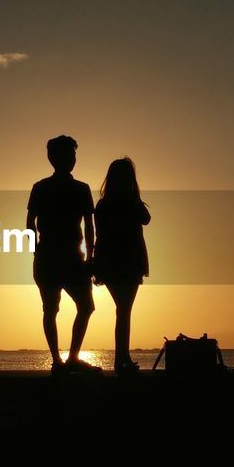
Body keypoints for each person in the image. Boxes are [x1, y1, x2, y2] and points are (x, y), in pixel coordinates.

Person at [27, 135, 101, 375]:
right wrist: (35, 251)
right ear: (53, 158)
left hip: (69, 257)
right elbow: (29, 224)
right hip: (54, 256)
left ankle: (69, 360)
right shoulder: (41, 187)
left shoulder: (80, 188)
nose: (72, 159)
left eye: (73, 155)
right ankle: (59, 361)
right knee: (51, 309)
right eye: (67, 154)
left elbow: (90, 226)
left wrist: (90, 255)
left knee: (84, 306)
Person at [92, 157, 151, 374]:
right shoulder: (128, 203)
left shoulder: (104, 204)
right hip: (127, 260)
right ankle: (121, 359)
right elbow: (146, 218)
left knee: (123, 310)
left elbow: (100, 235)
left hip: (112, 261)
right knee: (124, 310)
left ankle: (122, 358)